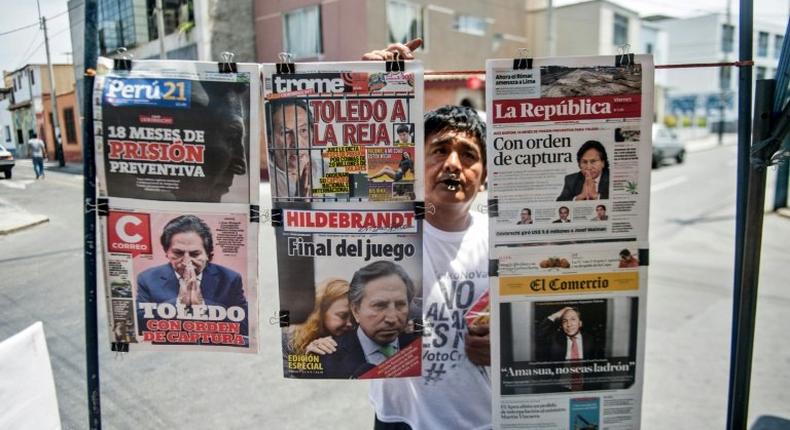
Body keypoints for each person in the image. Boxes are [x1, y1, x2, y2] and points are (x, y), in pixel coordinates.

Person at [364, 38, 492, 430]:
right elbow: (349, 156)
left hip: (481, 420)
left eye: (468, 155)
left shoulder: (503, 241)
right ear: (415, 164)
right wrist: (378, 81)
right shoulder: (384, 227)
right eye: (439, 151)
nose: (453, 163)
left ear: (484, 177)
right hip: (398, 419)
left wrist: (504, 344)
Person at [136, 215, 248, 338]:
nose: (186, 261)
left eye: (194, 254)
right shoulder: (147, 279)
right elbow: (138, 324)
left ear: (209, 256)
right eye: (178, 253)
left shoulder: (230, 279)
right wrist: (179, 303)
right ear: (167, 253)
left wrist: (202, 306)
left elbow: (244, 326)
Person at [322, 261, 419, 378]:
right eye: (379, 305)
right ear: (356, 310)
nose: (392, 318)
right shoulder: (326, 359)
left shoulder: (421, 347)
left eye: (400, 304)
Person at [287, 278, 353, 355]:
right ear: (320, 313)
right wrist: (310, 359)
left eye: (353, 317)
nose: (350, 323)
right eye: (342, 316)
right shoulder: (289, 341)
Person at [268, 99, 314, 198]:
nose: (297, 143)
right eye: (286, 133)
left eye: (303, 130)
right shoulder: (264, 180)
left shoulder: (327, 169)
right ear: (269, 140)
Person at [536, 306, 602, 362]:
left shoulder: (590, 339)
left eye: (573, 319)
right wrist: (556, 315)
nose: (569, 324)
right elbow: (539, 332)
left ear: (580, 323)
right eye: (565, 321)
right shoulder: (555, 339)